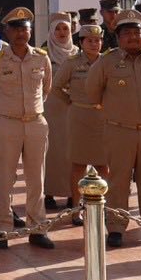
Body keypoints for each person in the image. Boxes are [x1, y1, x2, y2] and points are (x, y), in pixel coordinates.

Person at [85, 10, 141, 248]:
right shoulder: (107, 61)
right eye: (127, 33)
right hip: (119, 131)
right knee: (119, 181)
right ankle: (116, 228)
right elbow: (93, 92)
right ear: (118, 38)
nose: (133, 37)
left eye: (137, 32)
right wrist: (118, 110)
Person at [0, 7, 53, 249]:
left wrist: (32, 111)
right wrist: (5, 110)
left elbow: (46, 89)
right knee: (4, 178)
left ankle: (37, 229)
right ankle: (1, 229)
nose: (21, 33)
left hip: (35, 123)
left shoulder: (41, 58)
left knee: (37, 179)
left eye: (25, 29)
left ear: (31, 32)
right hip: (7, 123)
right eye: (16, 29)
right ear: (7, 32)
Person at [56, 18, 109, 224]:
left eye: (97, 40)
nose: (94, 44)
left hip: (103, 117)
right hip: (79, 116)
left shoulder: (108, 62)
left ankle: (104, 205)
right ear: (81, 42)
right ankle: (76, 207)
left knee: (103, 165)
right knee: (78, 165)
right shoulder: (71, 63)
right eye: (90, 41)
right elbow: (57, 86)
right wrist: (70, 102)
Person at [43, 12, 77, 211]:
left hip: (74, 110)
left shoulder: (78, 52)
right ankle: (49, 193)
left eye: (65, 28)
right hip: (51, 109)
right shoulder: (44, 53)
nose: (62, 32)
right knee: (51, 152)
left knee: (72, 153)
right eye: (58, 28)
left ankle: (73, 194)